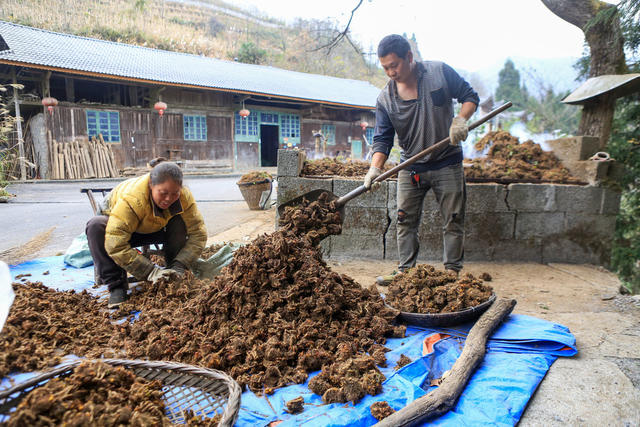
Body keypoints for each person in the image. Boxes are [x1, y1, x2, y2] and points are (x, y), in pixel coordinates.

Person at [365, 34, 479, 285]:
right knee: (404, 219)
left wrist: (460, 120)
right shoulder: (385, 99)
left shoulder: (439, 73)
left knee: (453, 218)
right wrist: (374, 168)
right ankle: (405, 271)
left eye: (394, 65)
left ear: (409, 57)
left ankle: (452, 272)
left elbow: (470, 97)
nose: (391, 72)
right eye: (385, 68)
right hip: (411, 166)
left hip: (447, 161)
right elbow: (383, 139)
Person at [86, 159, 207, 308]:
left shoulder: (183, 197)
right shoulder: (133, 198)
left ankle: (173, 270)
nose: (168, 199)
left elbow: (198, 233)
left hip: (156, 227)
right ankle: (116, 286)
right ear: (151, 185)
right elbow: (115, 244)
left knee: (180, 221)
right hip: (124, 229)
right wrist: (150, 271)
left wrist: (181, 263)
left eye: (174, 193)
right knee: (95, 226)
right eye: (163, 193)